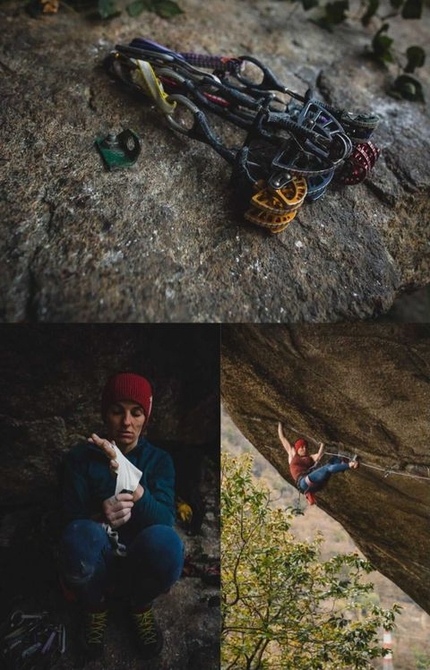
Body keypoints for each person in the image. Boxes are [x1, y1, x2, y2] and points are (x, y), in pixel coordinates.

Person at [59, 372, 184, 661]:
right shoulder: (80, 459)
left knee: (168, 544)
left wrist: (135, 488)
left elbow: (165, 520)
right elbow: (70, 521)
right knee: (77, 537)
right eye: (117, 411)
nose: (126, 422)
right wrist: (99, 515)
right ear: (106, 415)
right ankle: (95, 606)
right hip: (97, 560)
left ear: (145, 417)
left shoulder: (159, 461)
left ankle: (139, 605)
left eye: (136, 412)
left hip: (137, 563)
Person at [277, 422, 359, 505]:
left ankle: (345, 460)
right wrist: (280, 423)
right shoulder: (293, 455)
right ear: (297, 449)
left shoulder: (310, 457)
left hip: (316, 483)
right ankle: (350, 464)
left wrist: (322, 444)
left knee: (333, 459)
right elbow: (282, 438)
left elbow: (320, 454)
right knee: (327, 467)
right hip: (303, 482)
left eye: (305, 447)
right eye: (302, 447)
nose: (304, 449)